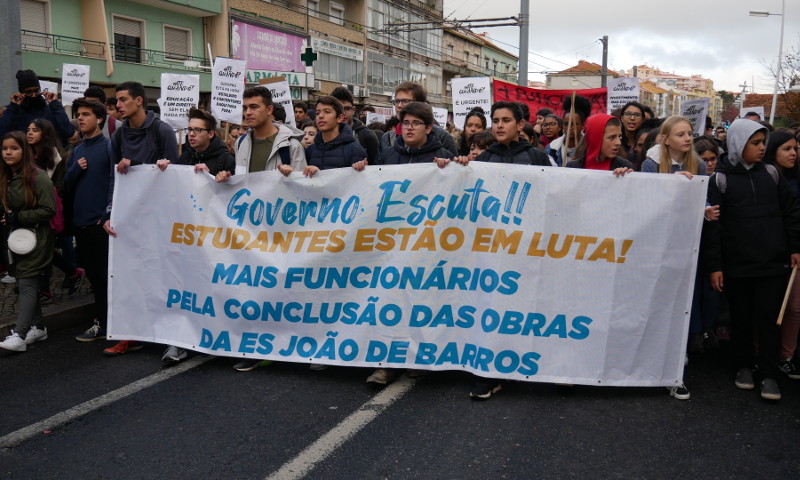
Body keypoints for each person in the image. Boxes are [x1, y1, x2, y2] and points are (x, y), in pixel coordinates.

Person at [703, 119, 800, 401]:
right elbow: (714, 229)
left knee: (770, 318)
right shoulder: (719, 180)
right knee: (741, 318)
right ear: (737, 144)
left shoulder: (771, 174)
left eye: (763, 143)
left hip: (773, 263)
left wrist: (795, 247)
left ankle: (769, 373)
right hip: (736, 265)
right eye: (755, 143)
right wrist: (716, 266)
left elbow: (791, 211)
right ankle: (743, 366)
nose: (762, 148)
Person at [103, 81, 180, 358]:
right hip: (129, 217)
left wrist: (144, 168)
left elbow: (176, 175)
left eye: (123, 100)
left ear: (138, 101)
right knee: (129, 274)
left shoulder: (162, 130)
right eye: (116, 100)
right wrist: (109, 212)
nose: (118, 105)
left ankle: (170, 331)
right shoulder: (119, 137)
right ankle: (131, 333)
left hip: (159, 219)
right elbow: (114, 177)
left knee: (162, 273)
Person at [0, 131, 56, 352]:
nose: (8, 152)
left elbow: (49, 210)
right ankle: (39, 327)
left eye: (14, 148)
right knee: (25, 279)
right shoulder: (6, 176)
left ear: (24, 150)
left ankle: (20, 335)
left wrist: (18, 216)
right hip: (16, 239)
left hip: (37, 238)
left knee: (26, 283)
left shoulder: (37, 176)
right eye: (5, 148)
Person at [65, 99, 114, 343]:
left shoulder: (107, 147)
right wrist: (75, 169)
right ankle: (103, 321)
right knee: (94, 278)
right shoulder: (77, 150)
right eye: (78, 114)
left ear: (100, 119)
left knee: (105, 277)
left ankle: (106, 323)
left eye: (86, 114)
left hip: (99, 225)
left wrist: (106, 214)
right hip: (81, 224)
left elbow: (114, 184)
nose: (80, 118)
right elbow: (67, 186)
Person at [26, 118, 84, 303]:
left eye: (35, 130)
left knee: (43, 249)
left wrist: (41, 201)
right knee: (40, 250)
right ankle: (72, 272)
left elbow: (58, 187)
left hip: (47, 209)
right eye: (28, 129)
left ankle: (45, 291)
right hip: (29, 208)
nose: (30, 133)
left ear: (45, 134)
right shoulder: (26, 154)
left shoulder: (53, 156)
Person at [763, 129, 800, 379]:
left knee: (794, 308)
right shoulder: (762, 178)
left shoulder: (797, 179)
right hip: (768, 250)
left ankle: (787, 355)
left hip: (795, 251)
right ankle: (760, 353)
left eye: (795, 149)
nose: (793, 154)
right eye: (787, 149)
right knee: (766, 307)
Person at [217, 87, 306, 186]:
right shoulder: (241, 143)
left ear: (269, 110)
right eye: (245, 108)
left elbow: (301, 189)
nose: (248, 112)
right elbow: (240, 181)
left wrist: (290, 176)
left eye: (254, 107)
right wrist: (226, 179)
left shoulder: (291, 146)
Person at [0, 70, 76, 146]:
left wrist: (56, 105)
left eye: (36, 90)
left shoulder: (50, 110)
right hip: (24, 156)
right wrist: (13, 108)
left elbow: (69, 132)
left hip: (48, 155)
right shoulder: (14, 113)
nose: (33, 95)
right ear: (21, 93)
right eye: (28, 92)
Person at [380, 81, 457, 156]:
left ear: (420, 104)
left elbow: (452, 167)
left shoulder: (442, 136)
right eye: (397, 101)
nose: (399, 105)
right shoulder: (387, 138)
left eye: (405, 101)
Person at [469, 102, 552, 167]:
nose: (499, 125)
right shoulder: (483, 158)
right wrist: (463, 165)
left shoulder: (538, 158)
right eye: (495, 121)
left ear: (520, 125)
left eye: (506, 120)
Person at [302, 95, 367, 177]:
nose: (321, 116)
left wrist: (321, 176)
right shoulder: (310, 150)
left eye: (327, 112)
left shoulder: (354, 150)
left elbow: (357, 184)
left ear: (340, 118)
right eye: (317, 113)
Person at [377, 101, 454, 166]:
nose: (410, 127)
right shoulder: (387, 155)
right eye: (406, 123)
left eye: (416, 123)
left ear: (428, 128)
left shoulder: (444, 157)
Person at [641, 116, 707, 176]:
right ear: (666, 140)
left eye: (690, 134)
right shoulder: (651, 164)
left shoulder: (699, 164)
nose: (688, 139)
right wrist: (673, 181)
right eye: (680, 135)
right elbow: (648, 189)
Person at [178, 108, 235, 176]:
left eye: (197, 129)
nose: (191, 134)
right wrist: (166, 169)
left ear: (210, 134)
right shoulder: (184, 157)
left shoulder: (226, 160)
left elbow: (231, 185)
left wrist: (209, 175)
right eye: (190, 129)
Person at [330, 86, 380, 164]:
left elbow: (377, 168)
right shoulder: (324, 136)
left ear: (353, 110)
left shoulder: (367, 136)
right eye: (338, 109)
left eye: (346, 109)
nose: (343, 113)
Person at [566, 114, 633, 171]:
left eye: (620, 136)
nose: (618, 142)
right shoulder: (572, 168)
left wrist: (626, 180)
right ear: (595, 138)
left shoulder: (624, 166)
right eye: (611, 137)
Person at [546, 95, 591, 167]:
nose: (570, 127)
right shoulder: (552, 148)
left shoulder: (589, 147)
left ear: (583, 125)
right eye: (566, 124)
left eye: (574, 124)